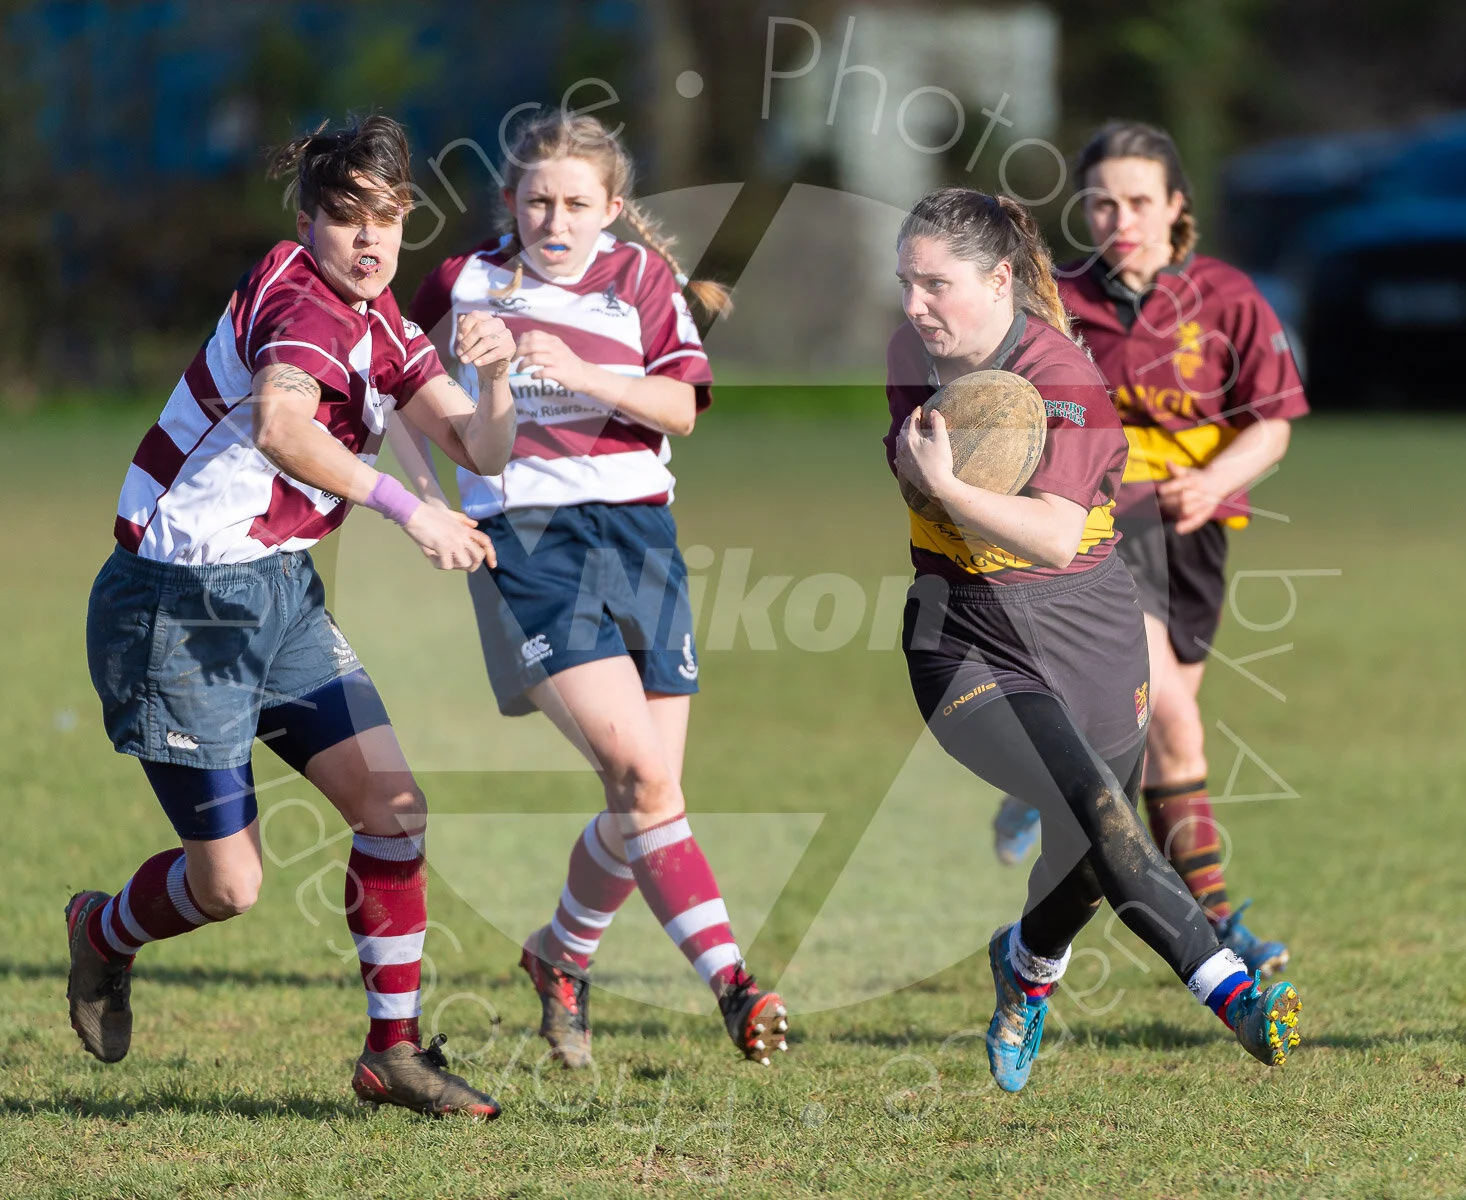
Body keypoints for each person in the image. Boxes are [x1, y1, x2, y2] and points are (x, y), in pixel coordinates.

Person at [68, 114, 519, 1119]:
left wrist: (494, 377)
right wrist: (410, 512)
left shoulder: (387, 323)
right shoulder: (298, 295)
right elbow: (282, 424)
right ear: (308, 219)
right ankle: (103, 932)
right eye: (347, 217)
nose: (369, 240)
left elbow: (484, 451)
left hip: (278, 597)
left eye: (388, 218)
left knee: (395, 811)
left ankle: (392, 1055)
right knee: (230, 886)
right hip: (177, 606)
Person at [887, 186, 1302, 1092]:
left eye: (934, 285)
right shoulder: (915, 351)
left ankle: (1025, 967)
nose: (913, 306)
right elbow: (918, 475)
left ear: (999, 280)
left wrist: (949, 487)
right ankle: (1234, 992)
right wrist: (936, 483)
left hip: (1091, 637)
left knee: (1082, 852)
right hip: (963, 640)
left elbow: (1045, 532)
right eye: (904, 284)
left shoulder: (1067, 382)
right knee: (1102, 812)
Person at [405, 111, 787, 1070]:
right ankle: (734, 983)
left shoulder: (643, 281)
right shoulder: (463, 282)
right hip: (528, 543)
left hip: (640, 535)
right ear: (509, 202)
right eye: (538, 200)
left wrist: (583, 371)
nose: (556, 219)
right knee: (646, 779)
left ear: (613, 208)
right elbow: (392, 387)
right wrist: (422, 502)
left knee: (646, 795)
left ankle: (559, 959)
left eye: (578, 202)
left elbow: (683, 410)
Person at [991, 122, 1309, 974]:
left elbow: (1272, 424)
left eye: (1138, 200)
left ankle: (1049, 773)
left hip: (1196, 538)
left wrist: (1216, 481)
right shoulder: (1054, 303)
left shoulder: (1228, 298)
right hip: (1094, 533)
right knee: (1172, 717)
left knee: (1156, 742)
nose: (1118, 218)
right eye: (1100, 202)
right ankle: (1216, 928)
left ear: (1176, 207)